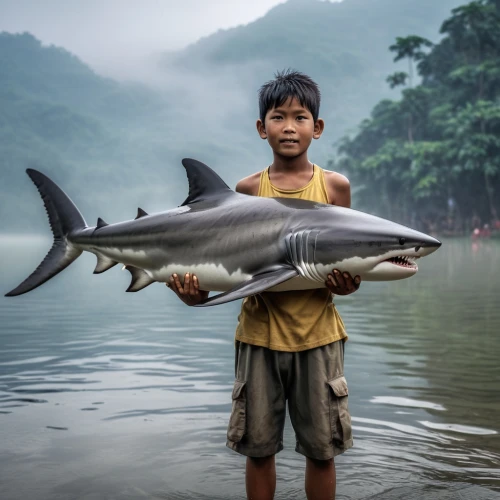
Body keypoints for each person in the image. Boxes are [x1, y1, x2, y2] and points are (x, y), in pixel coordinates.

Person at [168, 69, 360, 500]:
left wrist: (350, 286)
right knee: (258, 450)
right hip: (258, 334)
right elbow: (231, 263)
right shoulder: (248, 189)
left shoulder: (334, 186)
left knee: (322, 451)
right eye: (278, 117)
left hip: (319, 336)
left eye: (300, 117)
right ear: (261, 128)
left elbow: (345, 257)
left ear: (318, 127)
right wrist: (195, 295)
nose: (289, 126)